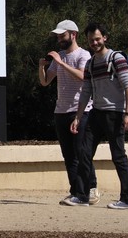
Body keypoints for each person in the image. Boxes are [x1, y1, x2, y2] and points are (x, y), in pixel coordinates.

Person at [64, 22, 128, 209]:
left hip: (115, 113)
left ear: (105, 37)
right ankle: (81, 196)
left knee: (118, 156)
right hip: (96, 112)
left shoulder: (116, 58)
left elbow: (127, 86)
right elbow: (86, 91)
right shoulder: (90, 63)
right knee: (83, 152)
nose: (94, 43)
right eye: (91, 40)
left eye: (97, 39)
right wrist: (78, 117)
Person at [38, 20, 100, 205]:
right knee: (69, 155)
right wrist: (41, 67)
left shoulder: (84, 54)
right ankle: (76, 192)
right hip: (61, 110)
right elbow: (45, 81)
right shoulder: (61, 56)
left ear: (73, 34)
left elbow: (82, 76)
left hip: (80, 111)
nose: (59, 39)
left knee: (82, 153)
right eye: (58, 36)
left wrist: (60, 62)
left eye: (62, 35)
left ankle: (90, 189)